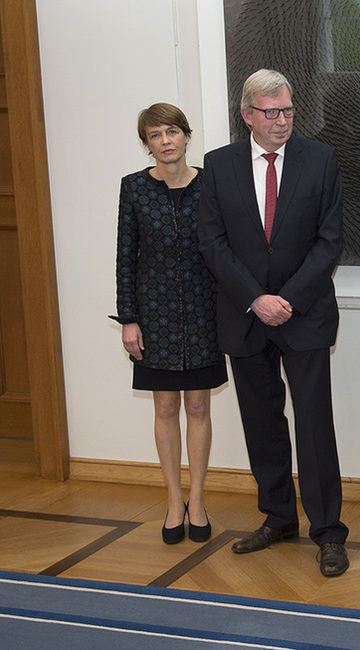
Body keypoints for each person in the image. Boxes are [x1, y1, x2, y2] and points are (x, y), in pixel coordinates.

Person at [197, 69, 349, 578]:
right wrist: (256, 299)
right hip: (245, 316)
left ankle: (328, 532)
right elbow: (213, 243)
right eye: (271, 113)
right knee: (262, 424)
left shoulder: (320, 159)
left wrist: (285, 298)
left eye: (288, 111)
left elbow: (329, 240)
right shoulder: (217, 166)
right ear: (247, 116)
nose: (282, 121)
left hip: (303, 315)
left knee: (313, 425)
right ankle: (279, 517)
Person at [113, 103, 227, 545]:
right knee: (165, 408)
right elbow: (126, 257)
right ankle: (174, 500)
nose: (166, 141)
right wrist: (129, 319)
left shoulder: (211, 185)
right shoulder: (134, 189)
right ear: (147, 145)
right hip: (154, 316)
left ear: (186, 136)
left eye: (173, 131)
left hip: (203, 312)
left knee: (199, 407)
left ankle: (197, 500)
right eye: (156, 135)